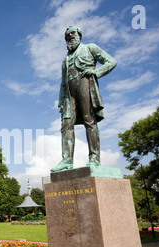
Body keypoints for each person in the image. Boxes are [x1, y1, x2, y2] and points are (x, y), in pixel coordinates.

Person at [51, 26, 117, 172]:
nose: (69, 36)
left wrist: (96, 72)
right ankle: (67, 160)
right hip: (69, 94)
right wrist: (61, 100)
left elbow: (111, 62)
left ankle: (94, 158)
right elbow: (63, 83)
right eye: (67, 35)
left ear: (79, 35)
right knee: (66, 124)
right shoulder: (65, 62)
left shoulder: (90, 48)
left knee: (89, 120)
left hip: (85, 85)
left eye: (72, 34)